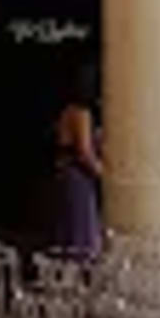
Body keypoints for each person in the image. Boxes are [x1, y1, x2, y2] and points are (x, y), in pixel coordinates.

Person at [44, 74, 106, 259]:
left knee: (70, 228)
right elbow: (84, 152)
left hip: (67, 174)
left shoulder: (68, 110)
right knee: (80, 232)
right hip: (77, 176)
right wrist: (103, 174)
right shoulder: (81, 112)